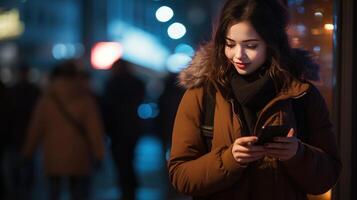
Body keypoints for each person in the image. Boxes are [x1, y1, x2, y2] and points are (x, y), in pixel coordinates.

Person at [168, 0, 342, 199]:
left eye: (251, 45)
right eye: (230, 44)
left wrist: (297, 154)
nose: (238, 55)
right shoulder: (202, 94)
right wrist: (229, 159)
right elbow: (180, 176)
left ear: (271, 43)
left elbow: (328, 176)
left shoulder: (301, 94)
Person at [22, 60, 105, 200]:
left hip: (53, 154)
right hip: (79, 155)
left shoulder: (47, 100)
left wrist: (27, 152)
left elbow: (35, 128)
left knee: (53, 193)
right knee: (78, 193)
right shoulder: (85, 99)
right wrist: (99, 154)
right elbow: (95, 130)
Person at [101, 59, 145, 200]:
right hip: (132, 128)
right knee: (130, 159)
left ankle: (126, 190)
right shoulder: (136, 83)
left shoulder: (111, 84)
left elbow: (106, 109)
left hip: (116, 129)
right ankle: (131, 188)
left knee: (121, 162)